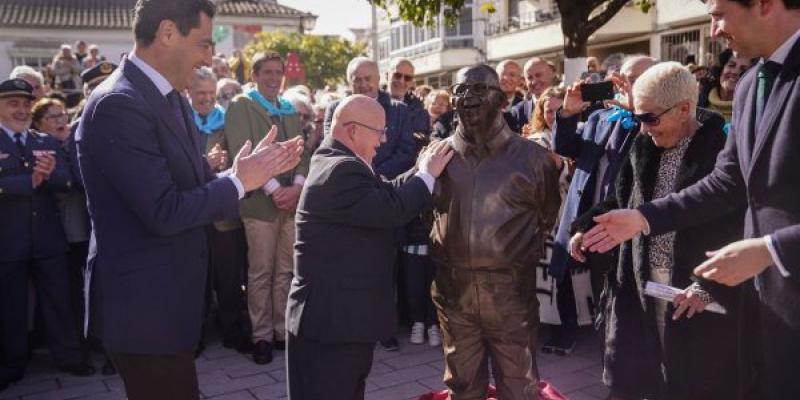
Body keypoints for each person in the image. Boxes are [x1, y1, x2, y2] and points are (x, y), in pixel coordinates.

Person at [76, 1, 304, 398]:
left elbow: (196, 179)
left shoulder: (170, 98)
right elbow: (164, 211)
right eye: (203, 43)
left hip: (170, 306)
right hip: (143, 311)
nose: (209, 57)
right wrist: (239, 182)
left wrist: (241, 172)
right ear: (167, 33)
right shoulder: (119, 104)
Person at [581, 1, 800, 398]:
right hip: (763, 321)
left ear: (766, 5)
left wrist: (772, 249)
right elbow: (728, 182)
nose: (713, 30)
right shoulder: (752, 84)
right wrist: (642, 218)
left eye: (719, 14)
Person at [572, 62, 743, 400]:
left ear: (683, 109)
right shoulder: (643, 145)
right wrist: (588, 227)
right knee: (641, 380)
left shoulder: (722, 152)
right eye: (638, 118)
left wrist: (709, 285)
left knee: (696, 384)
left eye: (650, 118)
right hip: (642, 289)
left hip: (695, 298)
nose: (644, 127)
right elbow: (622, 199)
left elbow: (737, 227)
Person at [285, 94, 454, 400]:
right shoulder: (341, 170)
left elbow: (383, 193)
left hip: (337, 320)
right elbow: (389, 210)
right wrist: (426, 176)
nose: (384, 139)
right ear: (352, 131)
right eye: (379, 131)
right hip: (333, 324)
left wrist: (419, 171)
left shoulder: (340, 162)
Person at [430, 64, 560, 400]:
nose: (467, 97)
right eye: (460, 90)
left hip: (511, 294)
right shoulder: (435, 158)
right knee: (462, 386)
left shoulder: (534, 159)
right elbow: (424, 215)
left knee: (520, 387)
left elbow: (546, 217)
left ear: (501, 99)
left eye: (478, 89)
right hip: (453, 292)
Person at [549, 55, 658, 353]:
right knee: (598, 297)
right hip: (589, 221)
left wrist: (638, 112)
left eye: (636, 79)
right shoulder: (599, 117)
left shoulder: (656, 122)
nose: (626, 85)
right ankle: (606, 359)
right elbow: (566, 148)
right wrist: (569, 113)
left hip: (624, 228)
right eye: (622, 77)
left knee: (623, 303)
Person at [0, 79, 94, 394]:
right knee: (10, 305)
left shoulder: (46, 141)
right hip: (8, 241)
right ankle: (11, 365)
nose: (21, 110)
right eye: (13, 103)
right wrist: (31, 180)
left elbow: (68, 181)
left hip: (48, 239)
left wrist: (51, 174)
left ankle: (69, 358)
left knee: (59, 301)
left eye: (26, 104)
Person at [224, 51, 311, 365]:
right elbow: (240, 151)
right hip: (261, 204)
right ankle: (261, 336)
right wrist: (277, 191)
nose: (274, 78)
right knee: (261, 273)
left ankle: (281, 332)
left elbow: (302, 152)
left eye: (279, 72)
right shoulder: (240, 106)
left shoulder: (288, 109)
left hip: (290, 202)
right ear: (255, 76)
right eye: (267, 72)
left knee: (285, 272)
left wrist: (297, 188)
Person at [186, 66, 251, 354]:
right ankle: (194, 335)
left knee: (229, 277)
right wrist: (205, 164)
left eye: (211, 94)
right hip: (192, 215)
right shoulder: (179, 122)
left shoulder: (227, 122)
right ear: (188, 92)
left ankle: (232, 331)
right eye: (200, 93)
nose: (206, 99)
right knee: (194, 279)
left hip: (225, 214)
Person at [324, 57, 416, 180]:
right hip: (348, 182)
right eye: (357, 80)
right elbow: (332, 147)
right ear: (349, 82)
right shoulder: (335, 109)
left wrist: (373, 176)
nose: (363, 85)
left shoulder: (399, 110)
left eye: (368, 79)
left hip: (388, 186)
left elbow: (405, 152)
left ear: (378, 79)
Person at [699, 50, 752, 122]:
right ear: (721, 70)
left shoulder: (752, 113)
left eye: (743, 69)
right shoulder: (699, 102)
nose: (735, 72)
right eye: (731, 65)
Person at [511, 57, 558, 131]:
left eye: (538, 75)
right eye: (529, 78)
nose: (534, 81)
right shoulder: (518, 111)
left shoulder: (567, 103)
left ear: (551, 74)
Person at [387, 58, 430, 137]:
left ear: (411, 82)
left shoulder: (419, 110)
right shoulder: (373, 103)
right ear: (387, 76)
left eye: (407, 78)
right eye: (397, 75)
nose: (401, 81)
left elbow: (422, 140)